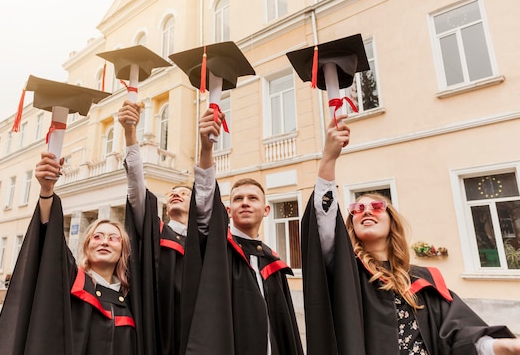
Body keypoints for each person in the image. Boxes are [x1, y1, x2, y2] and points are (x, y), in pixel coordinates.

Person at [302, 115, 520, 355]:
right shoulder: (346, 273)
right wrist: (328, 160)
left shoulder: (422, 279)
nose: (365, 211)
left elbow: (458, 334)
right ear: (350, 225)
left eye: (376, 207)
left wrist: (505, 346)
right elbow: (323, 226)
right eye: (356, 209)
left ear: (391, 221)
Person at [180, 107, 304, 355]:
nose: (245, 202)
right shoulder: (217, 252)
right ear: (227, 210)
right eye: (238, 199)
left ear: (266, 209)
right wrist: (207, 150)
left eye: (252, 198)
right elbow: (203, 209)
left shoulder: (272, 262)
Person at [0, 152, 137, 355]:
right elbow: (51, 241)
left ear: (123, 250)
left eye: (113, 238)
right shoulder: (71, 281)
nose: (104, 242)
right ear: (87, 246)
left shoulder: (132, 296)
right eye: (97, 236)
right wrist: (47, 190)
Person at [118, 100, 212, 355]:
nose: (175, 195)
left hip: (198, 331)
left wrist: (206, 148)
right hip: (158, 329)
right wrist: (130, 135)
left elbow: (205, 192)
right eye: (172, 193)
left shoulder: (204, 241)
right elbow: (136, 190)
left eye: (183, 192)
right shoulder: (156, 234)